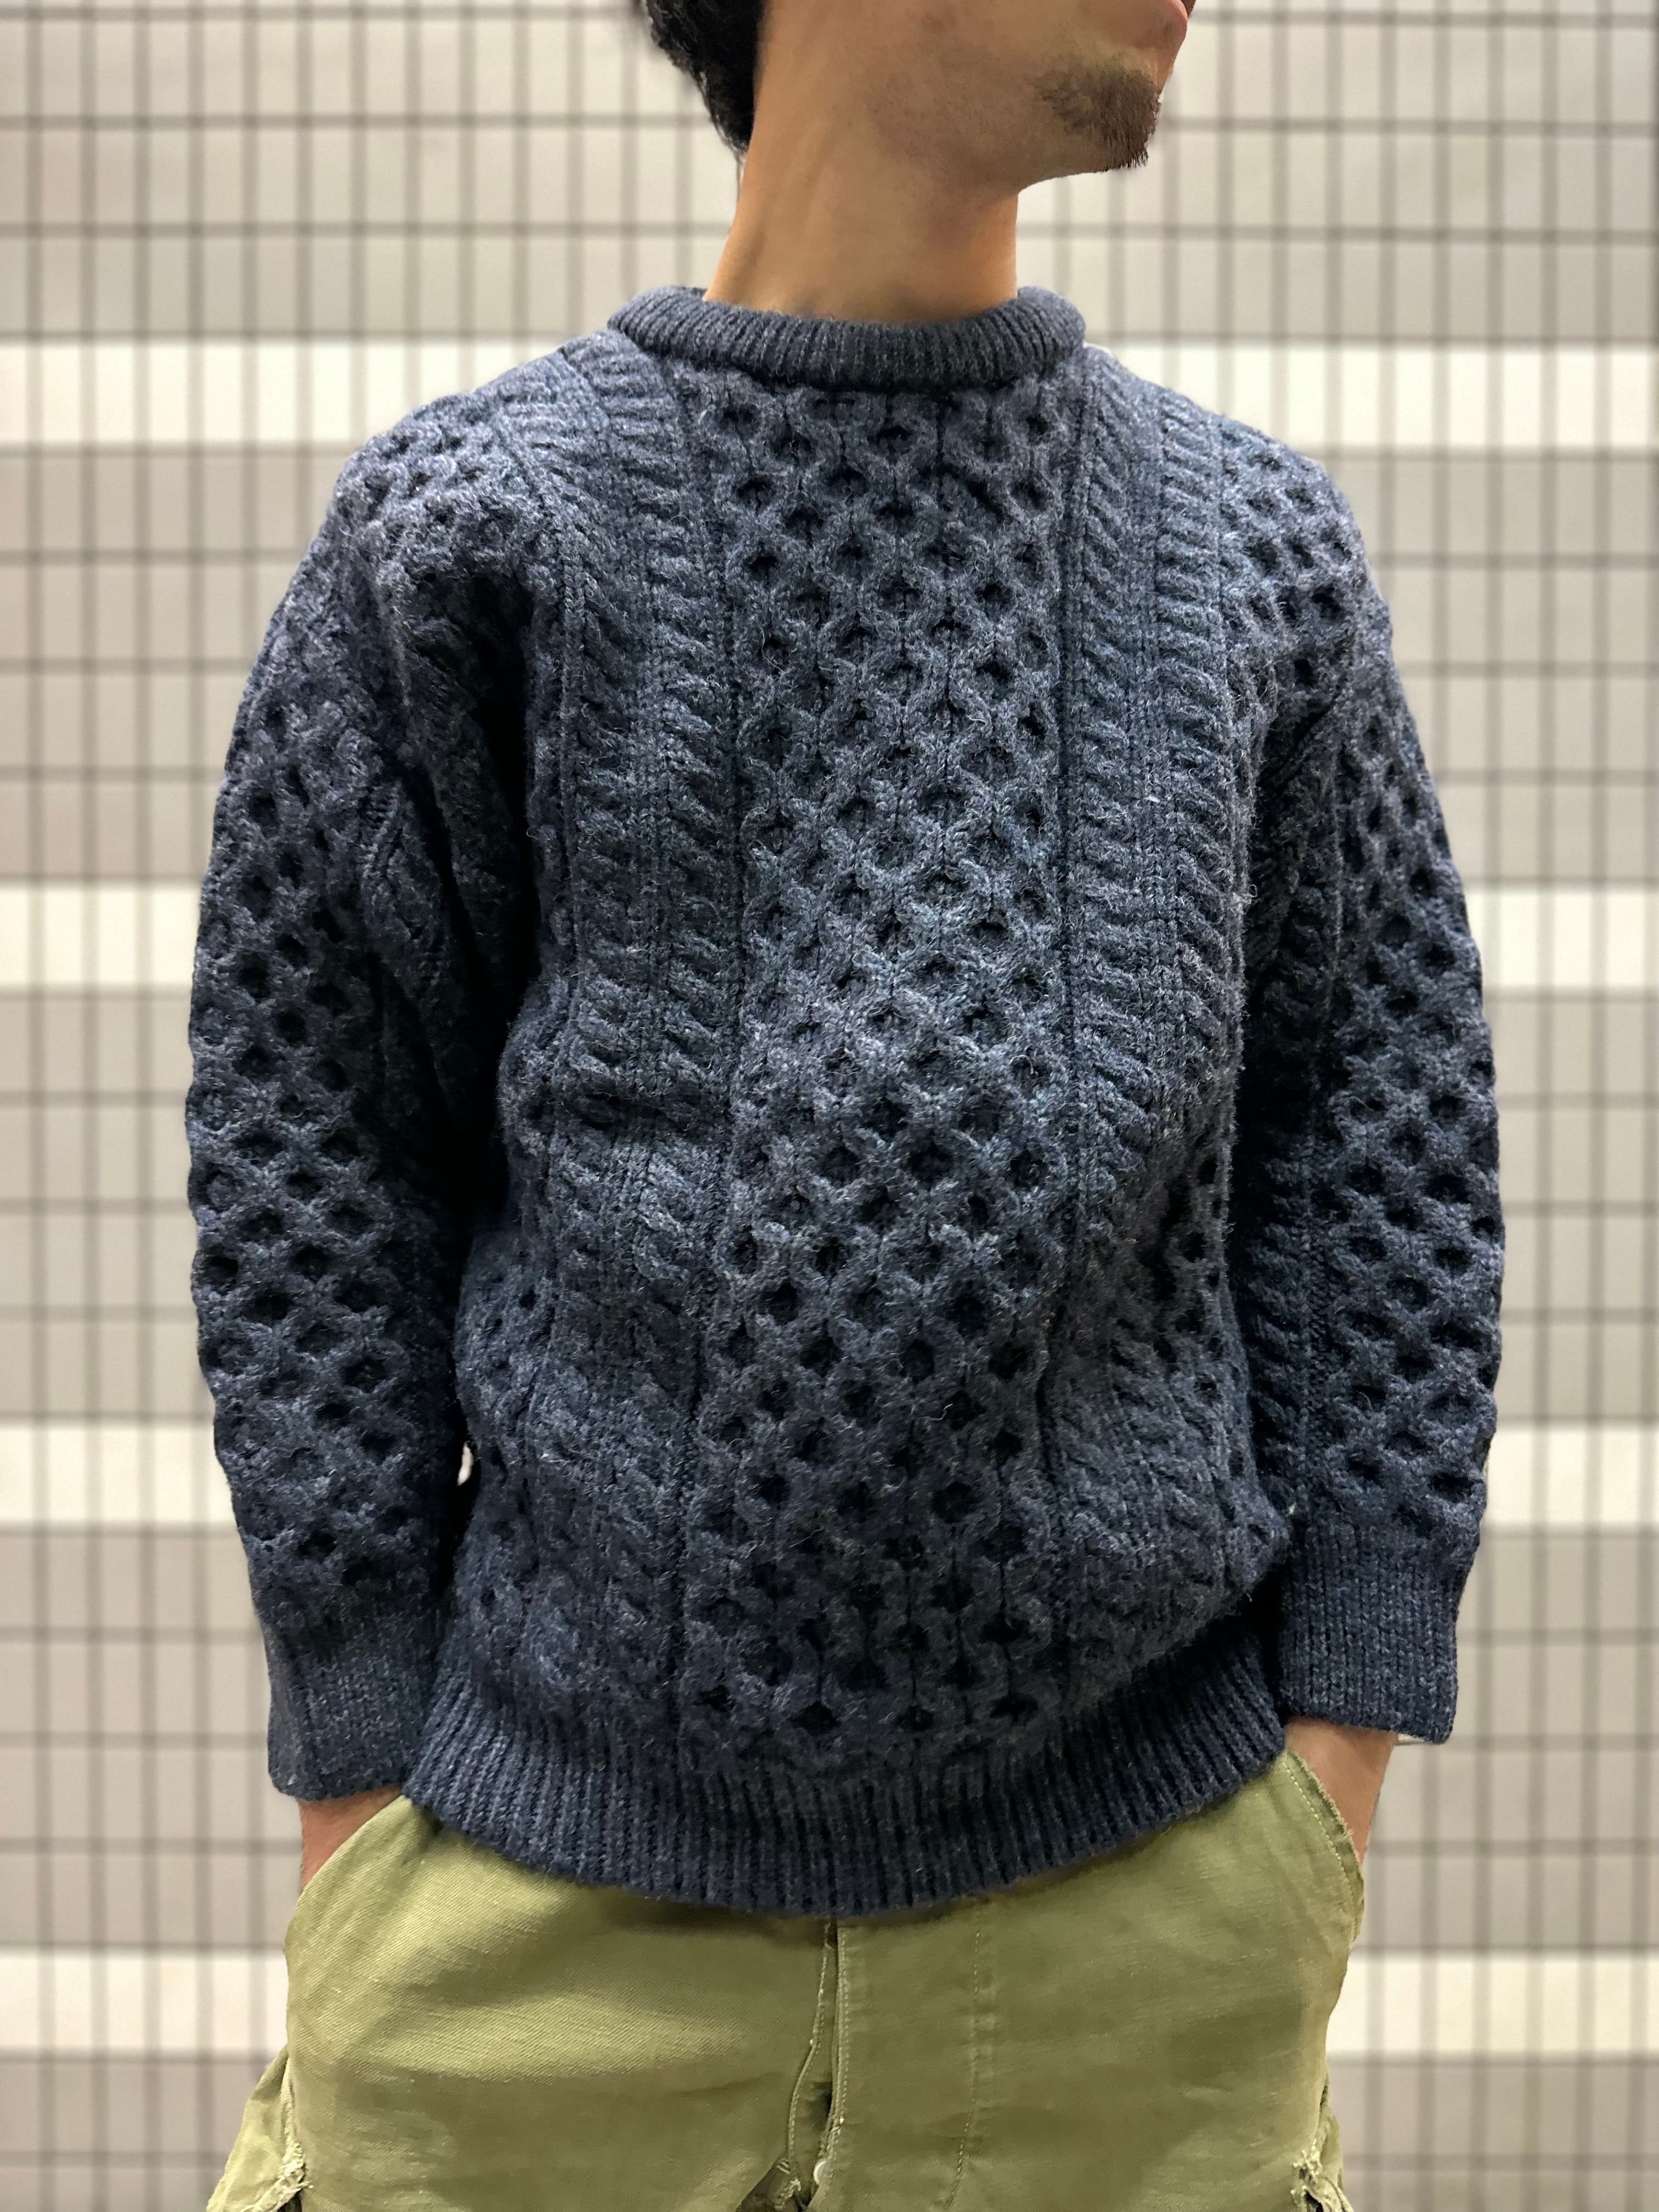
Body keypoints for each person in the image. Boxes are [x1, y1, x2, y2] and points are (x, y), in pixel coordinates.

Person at [190, 0, 1504, 2204]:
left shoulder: (1255, 557)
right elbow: (314, 1150)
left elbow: (1383, 1145)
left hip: (1138, 1950)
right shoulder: (473, 533)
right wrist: (360, 1773)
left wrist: (1332, 1775)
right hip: (526, 1936)